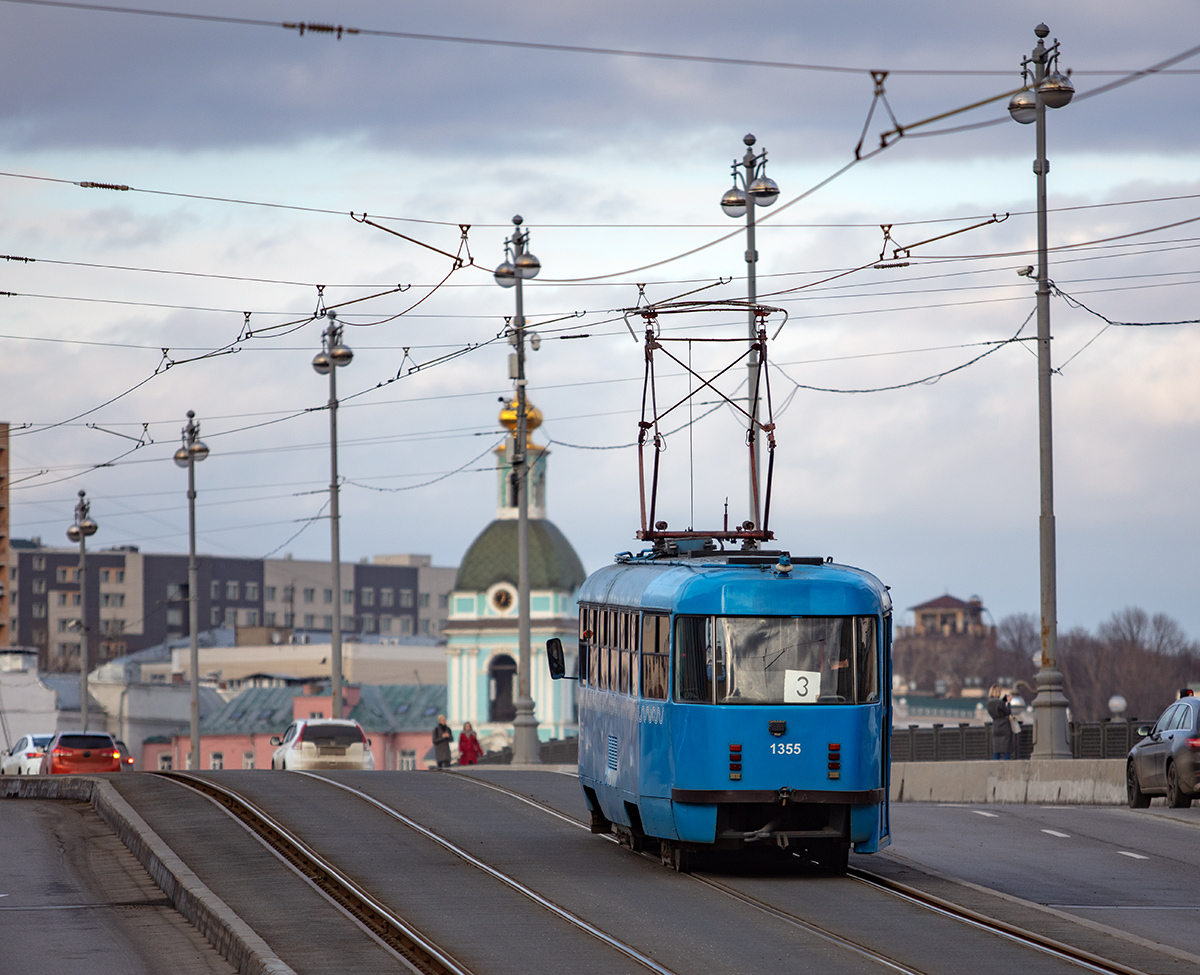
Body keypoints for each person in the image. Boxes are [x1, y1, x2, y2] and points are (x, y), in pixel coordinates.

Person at [986, 684, 1015, 760]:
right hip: (1004, 727)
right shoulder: (1000, 703)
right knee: (1006, 750)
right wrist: (1008, 702)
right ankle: (1006, 766)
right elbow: (1007, 712)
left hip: (995, 727)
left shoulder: (988, 704)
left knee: (996, 750)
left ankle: (995, 766)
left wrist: (1004, 700)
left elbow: (998, 707)